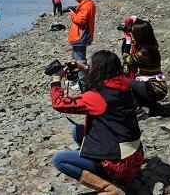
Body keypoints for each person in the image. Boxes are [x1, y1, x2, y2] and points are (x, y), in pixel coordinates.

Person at [50, 51, 143, 194]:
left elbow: (59, 104)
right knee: (78, 131)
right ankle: (107, 172)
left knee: (59, 160)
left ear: (98, 70)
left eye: (92, 65)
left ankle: (110, 188)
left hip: (119, 164)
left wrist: (56, 80)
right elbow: (102, 81)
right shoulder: (124, 83)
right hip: (135, 157)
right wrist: (83, 68)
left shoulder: (97, 97)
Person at [123, 19, 167, 115]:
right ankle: (151, 105)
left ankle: (138, 108)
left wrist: (127, 42)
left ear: (140, 36)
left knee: (124, 81)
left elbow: (126, 59)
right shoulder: (152, 47)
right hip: (158, 85)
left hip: (155, 89)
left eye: (134, 33)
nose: (133, 35)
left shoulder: (143, 53)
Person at [68, 0, 96, 86]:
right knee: (77, 58)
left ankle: (82, 82)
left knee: (79, 59)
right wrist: (76, 11)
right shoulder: (87, 4)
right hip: (81, 36)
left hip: (80, 36)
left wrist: (72, 14)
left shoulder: (86, 5)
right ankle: (78, 80)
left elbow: (80, 21)